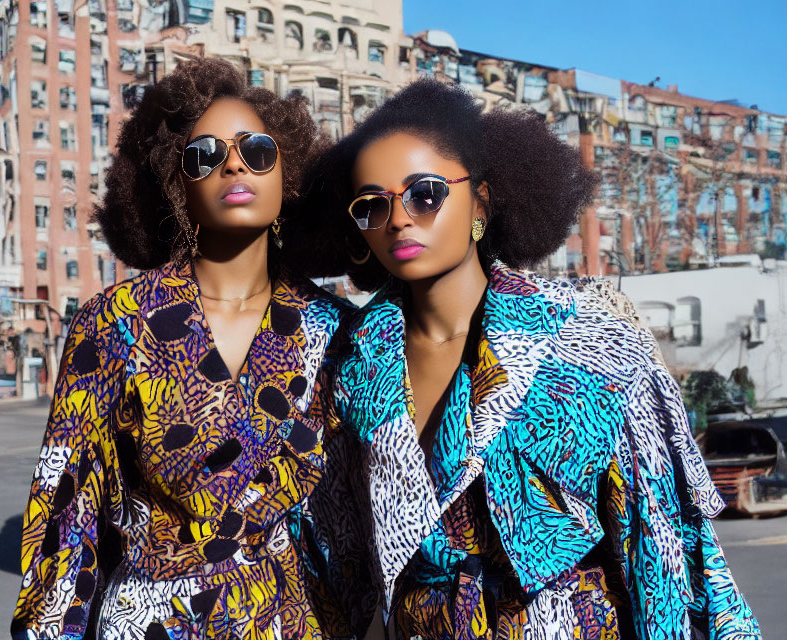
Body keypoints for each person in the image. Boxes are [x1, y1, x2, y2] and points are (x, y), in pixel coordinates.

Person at [298, 79, 761, 639]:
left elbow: (660, 546)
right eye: (373, 205)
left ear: (481, 202)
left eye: (425, 193)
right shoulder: (349, 366)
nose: (399, 219)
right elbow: (340, 561)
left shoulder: (588, 337)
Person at [11, 58, 356, 640]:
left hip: (293, 622)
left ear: (287, 175)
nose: (234, 164)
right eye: (205, 156)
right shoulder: (116, 325)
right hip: (151, 623)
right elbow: (65, 516)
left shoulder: (338, 332)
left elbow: (353, 524)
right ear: (178, 188)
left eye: (257, 150)